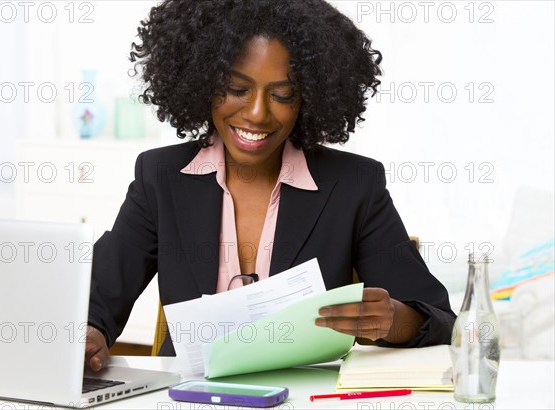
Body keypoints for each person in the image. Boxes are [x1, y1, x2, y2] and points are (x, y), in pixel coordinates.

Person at [85, 0, 456, 372]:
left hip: (301, 394)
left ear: (309, 97)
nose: (258, 113)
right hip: (185, 395)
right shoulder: (160, 175)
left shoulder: (353, 185)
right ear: (200, 82)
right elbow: (99, 298)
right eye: (236, 88)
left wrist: (392, 319)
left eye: (282, 95)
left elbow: (440, 318)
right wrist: (91, 334)